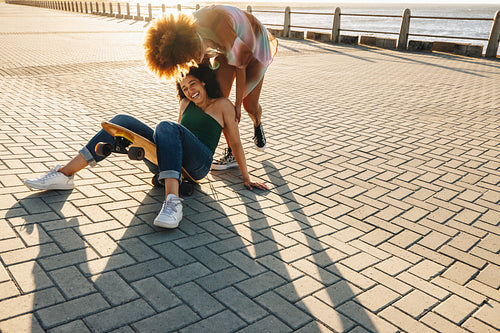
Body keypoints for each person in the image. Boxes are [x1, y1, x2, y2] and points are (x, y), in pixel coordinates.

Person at [24, 65, 268, 229]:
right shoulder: (185, 103)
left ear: (203, 82)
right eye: (184, 88)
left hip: (198, 165)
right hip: (174, 163)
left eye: (193, 84)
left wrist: (245, 178)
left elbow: (235, 143)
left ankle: (172, 202)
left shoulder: (223, 105)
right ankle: (64, 175)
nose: (190, 91)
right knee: (120, 121)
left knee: (166, 126)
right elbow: (173, 138)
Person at [144, 5, 278, 170]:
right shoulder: (182, 39)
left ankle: (257, 124)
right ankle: (232, 154)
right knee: (217, 98)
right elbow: (185, 75)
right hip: (223, 48)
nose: (194, 62)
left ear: (193, 44)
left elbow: (241, 64)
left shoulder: (219, 25)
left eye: (192, 58)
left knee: (248, 104)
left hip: (254, 43)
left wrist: (236, 104)